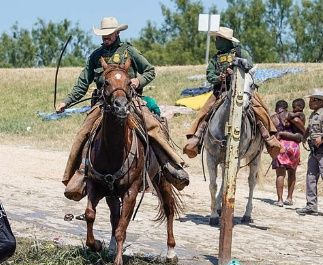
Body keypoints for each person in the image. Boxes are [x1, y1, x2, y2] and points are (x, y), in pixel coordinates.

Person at [56, 17, 188, 199]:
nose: (105, 38)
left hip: (130, 101)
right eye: (103, 35)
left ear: (117, 33)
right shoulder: (96, 56)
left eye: (108, 34)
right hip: (103, 104)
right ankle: (76, 174)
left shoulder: (129, 51)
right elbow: (82, 84)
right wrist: (67, 101)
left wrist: (137, 80)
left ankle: (171, 164)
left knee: (152, 126)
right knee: (83, 132)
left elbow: (150, 70)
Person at [182, 26, 282, 159]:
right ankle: (196, 138)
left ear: (225, 40)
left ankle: (269, 137)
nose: (216, 41)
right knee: (204, 111)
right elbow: (209, 75)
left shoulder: (241, 52)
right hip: (221, 91)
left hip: (243, 89)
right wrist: (219, 78)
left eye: (218, 39)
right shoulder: (215, 58)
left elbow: (250, 66)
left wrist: (235, 68)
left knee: (260, 109)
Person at [271, 99, 306, 206]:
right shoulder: (294, 116)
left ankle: (280, 200)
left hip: (281, 146)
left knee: (280, 173)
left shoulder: (273, 117)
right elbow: (301, 131)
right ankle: (289, 198)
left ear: (277, 108)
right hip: (294, 146)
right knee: (292, 173)